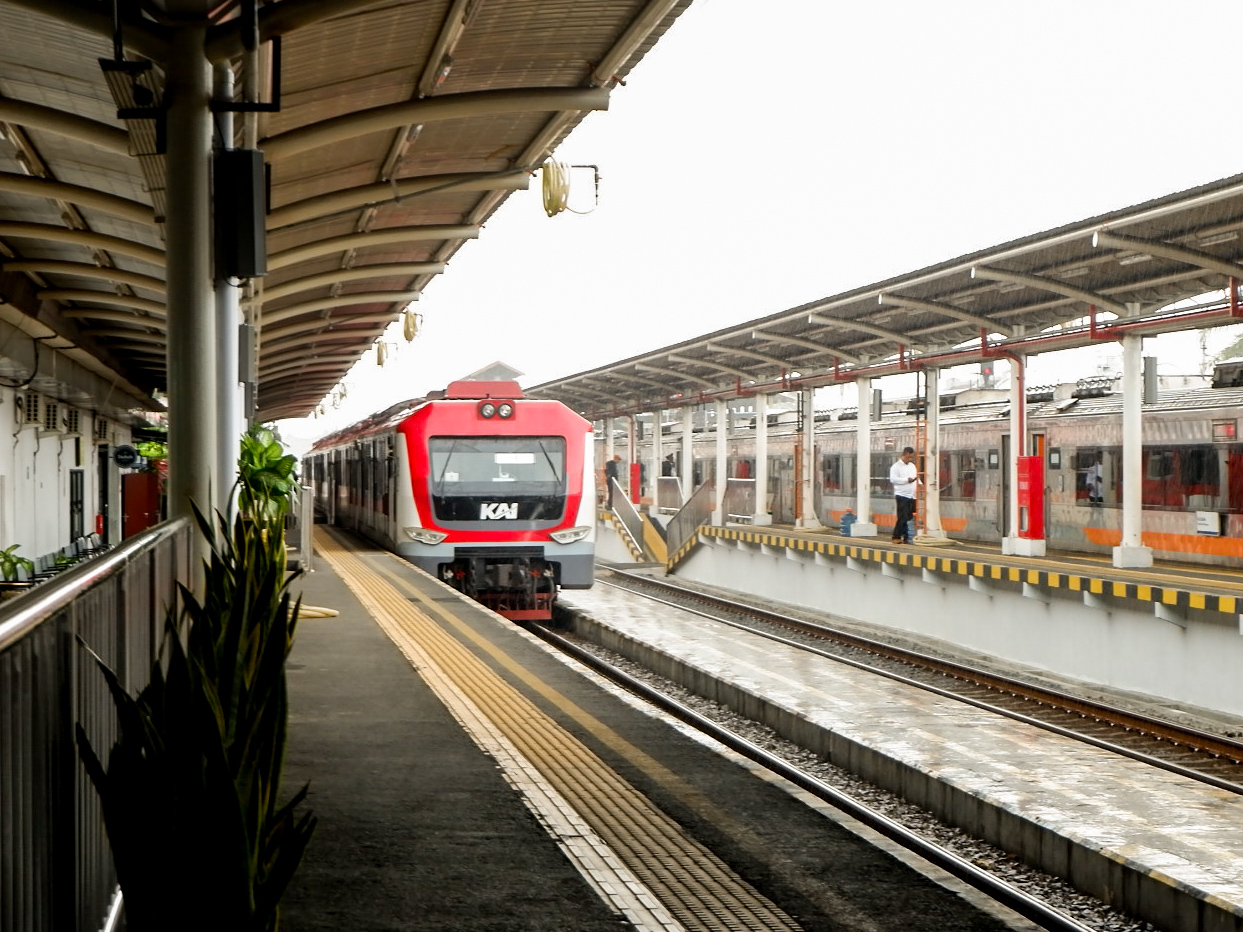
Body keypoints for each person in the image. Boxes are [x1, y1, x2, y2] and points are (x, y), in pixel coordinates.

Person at [889, 446, 918, 544]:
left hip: (912, 495)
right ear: (903, 455)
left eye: (912, 457)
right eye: (908, 457)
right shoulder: (895, 467)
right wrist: (906, 480)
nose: (910, 459)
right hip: (902, 495)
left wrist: (920, 484)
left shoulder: (912, 466)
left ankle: (906, 536)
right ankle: (896, 536)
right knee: (902, 517)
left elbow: (916, 477)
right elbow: (893, 479)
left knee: (909, 517)